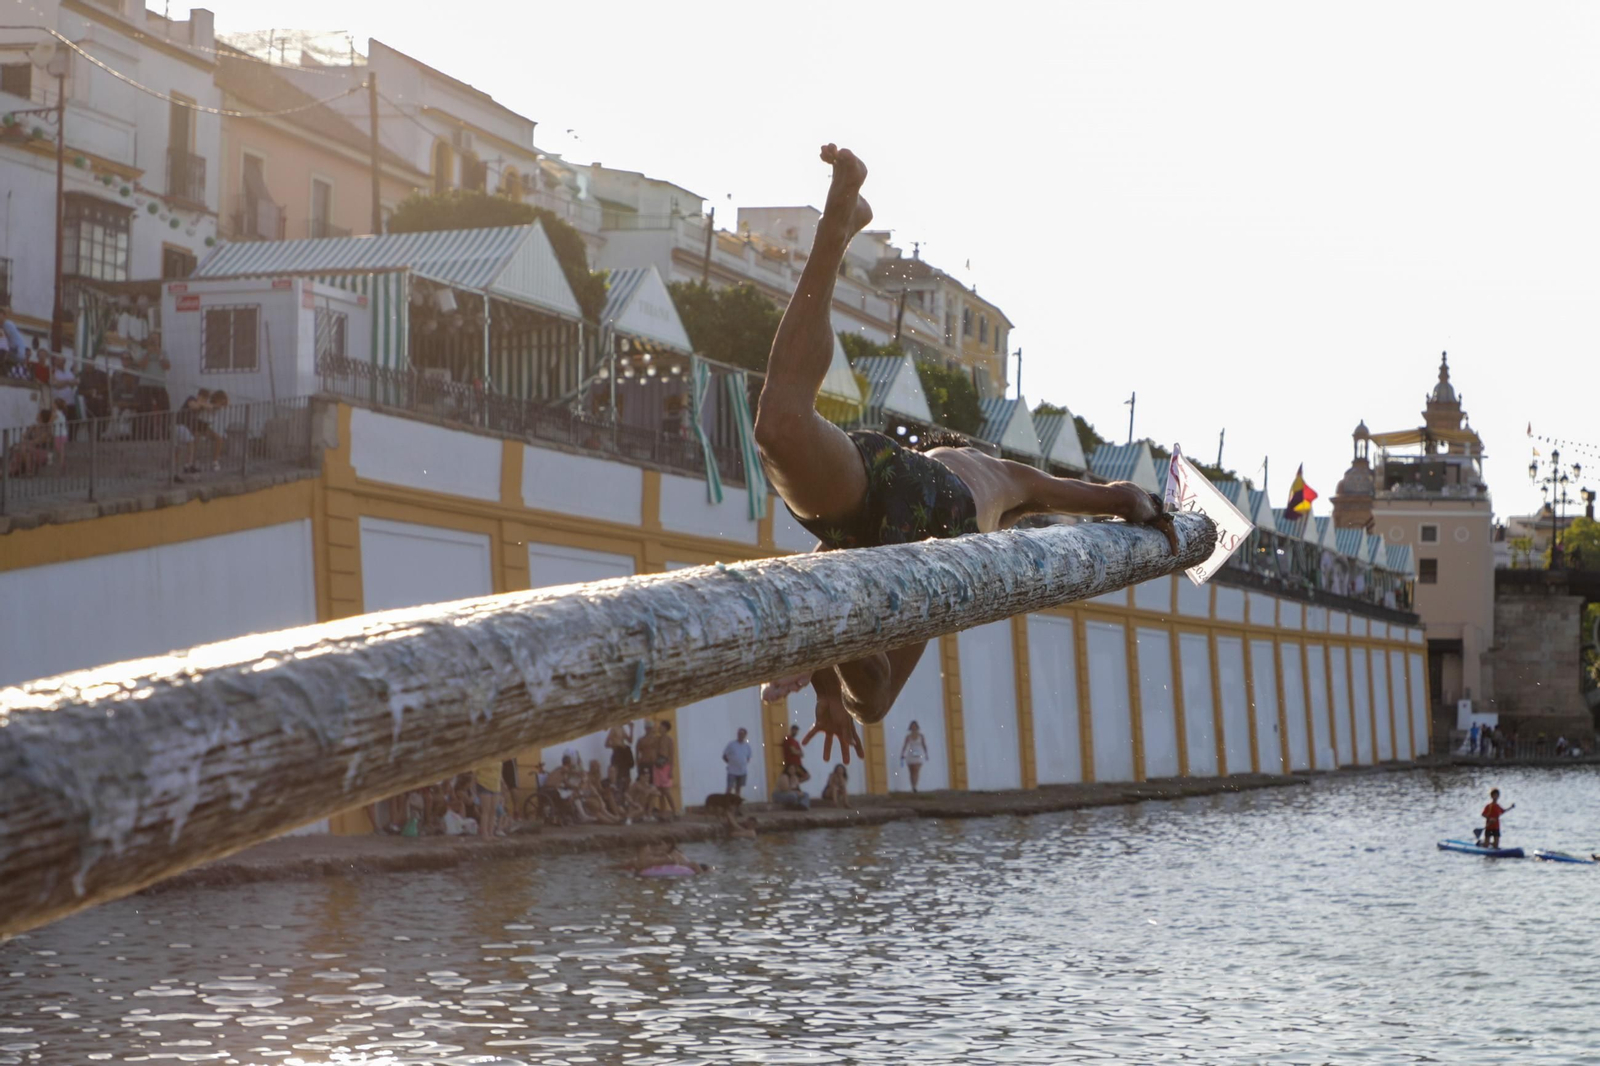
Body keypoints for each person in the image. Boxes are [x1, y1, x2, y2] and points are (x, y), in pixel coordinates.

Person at [752, 144, 1176, 764]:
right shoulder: (1006, 478)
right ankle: (828, 656)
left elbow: (827, 559)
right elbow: (1114, 498)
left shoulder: (951, 467)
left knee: (781, 426)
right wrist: (1148, 508)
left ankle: (837, 227)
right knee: (873, 702)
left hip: (883, 483)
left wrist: (821, 691)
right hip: (938, 525)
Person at [473, 760, 502, 839]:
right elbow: (475, 773)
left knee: (493, 810)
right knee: (486, 810)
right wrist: (474, 788)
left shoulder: (499, 758)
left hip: (496, 786)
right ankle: (484, 833)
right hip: (483, 784)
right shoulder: (482, 758)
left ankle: (491, 833)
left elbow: (499, 773)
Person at [723, 727, 754, 797]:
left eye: (742, 734)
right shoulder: (731, 744)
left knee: (738, 788)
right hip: (732, 771)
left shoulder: (747, 746)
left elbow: (748, 758)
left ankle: (736, 803)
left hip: (742, 771)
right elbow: (724, 756)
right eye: (739, 734)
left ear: (745, 735)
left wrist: (742, 763)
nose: (740, 735)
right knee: (729, 788)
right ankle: (726, 803)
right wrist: (731, 763)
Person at [900, 720, 930, 792]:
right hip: (910, 754)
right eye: (912, 726)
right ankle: (912, 786)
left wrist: (926, 754)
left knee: (916, 770)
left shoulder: (921, 736)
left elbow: (924, 745)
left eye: (915, 726)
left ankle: (915, 786)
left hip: (919, 754)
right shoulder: (908, 737)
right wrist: (902, 754)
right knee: (911, 771)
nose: (913, 728)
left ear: (917, 727)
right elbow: (905, 745)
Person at [606, 722, 635, 788]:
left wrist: (631, 729)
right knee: (618, 775)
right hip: (617, 753)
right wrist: (615, 746)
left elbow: (630, 741)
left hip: (624, 753)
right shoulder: (613, 729)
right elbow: (606, 743)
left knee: (626, 776)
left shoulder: (622, 728)